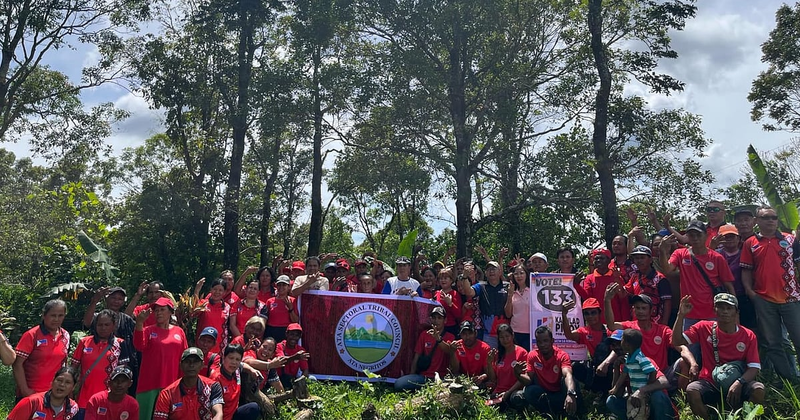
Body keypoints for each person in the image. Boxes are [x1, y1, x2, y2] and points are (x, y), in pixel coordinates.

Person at [673, 294, 765, 420]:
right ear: (714, 310)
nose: (725, 311)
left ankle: (746, 417)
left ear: (736, 312)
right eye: (721, 307)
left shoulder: (748, 335)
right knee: (692, 390)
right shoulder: (703, 327)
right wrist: (681, 315)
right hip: (710, 381)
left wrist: (739, 382)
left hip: (739, 381)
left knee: (758, 389)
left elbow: (754, 367)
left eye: (729, 308)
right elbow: (677, 341)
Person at [741, 205, 800, 381]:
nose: (771, 221)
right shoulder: (750, 243)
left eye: (773, 217)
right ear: (757, 221)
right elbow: (746, 270)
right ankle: (788, 381)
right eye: (766, 217)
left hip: (791, 298)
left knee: (798, 339)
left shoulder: (790, 240)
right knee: (773, 343)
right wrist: (750, 291)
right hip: (764, 299)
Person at [605, 289, 698, 391]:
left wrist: (693, 363)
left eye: (644, 308)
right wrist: (607, 300)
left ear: (651, 310)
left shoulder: (663, 330)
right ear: (633, 310)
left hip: (662, 375)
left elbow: (682, 348)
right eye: (637, 308)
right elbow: (611, 325)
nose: (640, 311)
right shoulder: (629, 327)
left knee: (684, 361)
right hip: (638, 373)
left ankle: (681, 395)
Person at [659, 220, 735, 335]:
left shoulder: (717, 257)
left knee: (713, 345)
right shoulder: (680, 254)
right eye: (691, 235)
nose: (695, 238)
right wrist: (662, 251)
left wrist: (735, 312)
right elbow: (667, 270)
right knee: (689, 345)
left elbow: (729, 285)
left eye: (698, 235)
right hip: (689, 312)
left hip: (713, 313)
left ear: (706, 235)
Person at [134, 297, 188, 420]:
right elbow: (138, 345)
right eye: (156, 310)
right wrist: (139, 323)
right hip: (149, 384)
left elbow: (184, 358)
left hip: (172, 384)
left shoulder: (179, 332)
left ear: (170, 312)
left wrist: (183, 384)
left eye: (162, 310)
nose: (158, 313)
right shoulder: (148, 330)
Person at [509, 326, 580, 418]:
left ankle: (572, 411)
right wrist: (518, 374)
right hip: (545, 394)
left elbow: (567, 375)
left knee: (571, 381)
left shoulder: (562, 355)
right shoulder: (532, 356)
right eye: (539, 342)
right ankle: (547, 413)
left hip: (561, 394)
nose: (542, 344)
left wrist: (570, 393)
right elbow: (529, 380)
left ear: (552, 341)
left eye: (545, 341)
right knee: (528, 390)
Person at [70, 309, 130, 417]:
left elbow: (123, 376)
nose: (103, 328)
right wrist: (70, 391)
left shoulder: (120, 344)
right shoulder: (84, 342)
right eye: (100, 325)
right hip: (84, 400)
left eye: (107, 325)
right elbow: (73, 369)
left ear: (113, 326)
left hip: (108, 400)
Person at [606, 329, 675, 420]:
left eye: (618, 343)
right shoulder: (624, 365)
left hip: (653, 403)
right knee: (611, 401)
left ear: (628, 344)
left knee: (657, 395)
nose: (616, 348)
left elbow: (664, 382)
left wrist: (642, 391)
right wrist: (616, 368)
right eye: (613, 345)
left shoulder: (643, 360)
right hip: (638, 404)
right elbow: (617, 393)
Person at [81, 286, 138, 394]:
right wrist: (94, 301)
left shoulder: (126, 319)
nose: (116, 301)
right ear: (107, 298)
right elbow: (87, 323)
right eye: (113, 298)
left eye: (120, 299)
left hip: (120, 364)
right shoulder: (99, 316)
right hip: (97, 361)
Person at [14, 299, 70, 400]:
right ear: (44, 315)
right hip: (32, 394)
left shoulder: (65, 335)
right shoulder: (32, 335)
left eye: (60, 315)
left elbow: (64, 363)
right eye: (53, 315)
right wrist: (25, 390)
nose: (56, 319)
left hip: (54, 394)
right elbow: (17, 364)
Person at [394, 307, 456, 391]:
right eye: (434, 318)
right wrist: (411, 376)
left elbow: (449, 351)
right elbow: (416, 357)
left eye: (439, 318)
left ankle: (432, 388)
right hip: (424, 377)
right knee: (399, 384)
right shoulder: (424, 334)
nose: (436, 321)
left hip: (441, 378)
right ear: (430, 319)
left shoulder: (450, 337)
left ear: (445, 320)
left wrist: (438, 339)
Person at [153, 348, 224, 420]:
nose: (191, 365)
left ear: (202, 365)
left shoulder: (213, 387)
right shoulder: (167, 394)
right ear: (181, 365)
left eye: (195, 361)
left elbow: (218, 413)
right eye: (187, 361)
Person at [561, 298, 613, 395]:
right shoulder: (584, 331)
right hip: (596, 369)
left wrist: (606, 364)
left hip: (610, 368)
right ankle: (594, 391)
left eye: (593, 313)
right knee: (576, 367)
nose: (590, 316)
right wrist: (564, 314)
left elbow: (617, 351)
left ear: (599, 313)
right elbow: (569, 335)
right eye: (587, 313)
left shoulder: (609, 331)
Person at [460, 260, 508, 348]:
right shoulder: (481, 286)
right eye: (488, 269)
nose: (491, 271)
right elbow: (469, 292)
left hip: (506, 332)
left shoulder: (508, 286)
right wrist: (465, 277)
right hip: (488, 334)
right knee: (490, 356)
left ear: (500, 271)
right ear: (485, 273)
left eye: (494, 269)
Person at [210, 344, 262, 420]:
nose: (234, 362)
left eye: (237, 359)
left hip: (234, 413)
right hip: (221, 417)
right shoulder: (216, 379)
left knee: (253, 408)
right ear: (224, 357)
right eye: (231, 358)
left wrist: (252, 370)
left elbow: (242, 365)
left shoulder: (236, 370)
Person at [7, 366, 80, 420]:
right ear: (53, 381)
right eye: (59, 380)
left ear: (73, 387)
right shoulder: (32, 402)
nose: (62, 384)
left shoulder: (73, 408)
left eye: (67, 382)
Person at [577, 249, 629, 322]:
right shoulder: (589, 278)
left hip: (615, 320)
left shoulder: (616, 276)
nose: (598, 260)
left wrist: (617, 279)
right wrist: (576, 285)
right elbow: (587, 298)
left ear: (608, 260)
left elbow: (622, 297)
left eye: (602, 258)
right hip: (597, 321)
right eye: (596, 258)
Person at [624, 245, 672, 324]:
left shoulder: (660, 278)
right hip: (637, 322)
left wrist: (664, 323)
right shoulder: (634, 276)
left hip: (655, 323)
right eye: (636, 258)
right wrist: (617, 278)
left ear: (650, 260)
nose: (639, 261)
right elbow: (624, 293)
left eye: (642, 258)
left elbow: (667, 302)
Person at [486, 324, 527, 405]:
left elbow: (522, 379)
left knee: (516, 398)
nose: (505, 340)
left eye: (507, 336)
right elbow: (493, 379)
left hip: (514, 391)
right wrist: (489, 363)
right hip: (499, 392)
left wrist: (508, 392)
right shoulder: (498, 354)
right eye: (502, 337)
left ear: (512, 335)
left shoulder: (522, 353)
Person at [194, 278, 231, 353]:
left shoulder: (227, 307)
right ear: (211, 290)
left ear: (224, 292)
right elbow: (193, 310)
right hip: (203, 344)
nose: (217, 292)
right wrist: (197, 290)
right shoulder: (204, 304)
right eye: (215, 289)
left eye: (220, 290)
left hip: (219, 346)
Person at [450, 321, 491, 386]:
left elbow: (489, 373)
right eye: (464, 334)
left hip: (479, 382)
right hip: (462, 381)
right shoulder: (457, 346)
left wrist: (482, 377)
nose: (467, 337)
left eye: (470, 333)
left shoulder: (485, 348)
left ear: (475, 334)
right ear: (460, 335)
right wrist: (452, 352)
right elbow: (455, 371)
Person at [261, 275, 298, 343]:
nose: (281, 287)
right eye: (279, 285)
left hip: (286, 331)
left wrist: (290, 308)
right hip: (270, 330)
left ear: (289, 287)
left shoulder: (293, 301)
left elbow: (295, 321)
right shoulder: (270, 301)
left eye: (284, 285)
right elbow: (264, 319)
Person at [504, 263, 531, 350]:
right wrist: (510, 295)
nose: (519, 276)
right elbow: (508, 314)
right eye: (516, 274)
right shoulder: (512, 292)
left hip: (530, 331)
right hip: (515, 331)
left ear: (526, 274)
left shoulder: (534, 290)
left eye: (521, 273)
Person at [276, 323, 310, 389]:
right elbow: (281, 362)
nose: (294, 338)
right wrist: (295, 357)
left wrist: (301, 382)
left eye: (297, 335)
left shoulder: (301, 350)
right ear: (286, 334)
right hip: (278, 379)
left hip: (293, 379)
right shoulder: (280, 346)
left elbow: (305, 370)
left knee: (312, 379)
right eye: (292, 334)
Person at [435, 268, 461, 336]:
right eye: (441, 278)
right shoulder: (436, 293)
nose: (443, 280)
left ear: (451, 280)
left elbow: (458, 315)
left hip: (450, 327)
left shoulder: (455, 294)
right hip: (437, 327)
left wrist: (450, 304)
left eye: (445, 278)